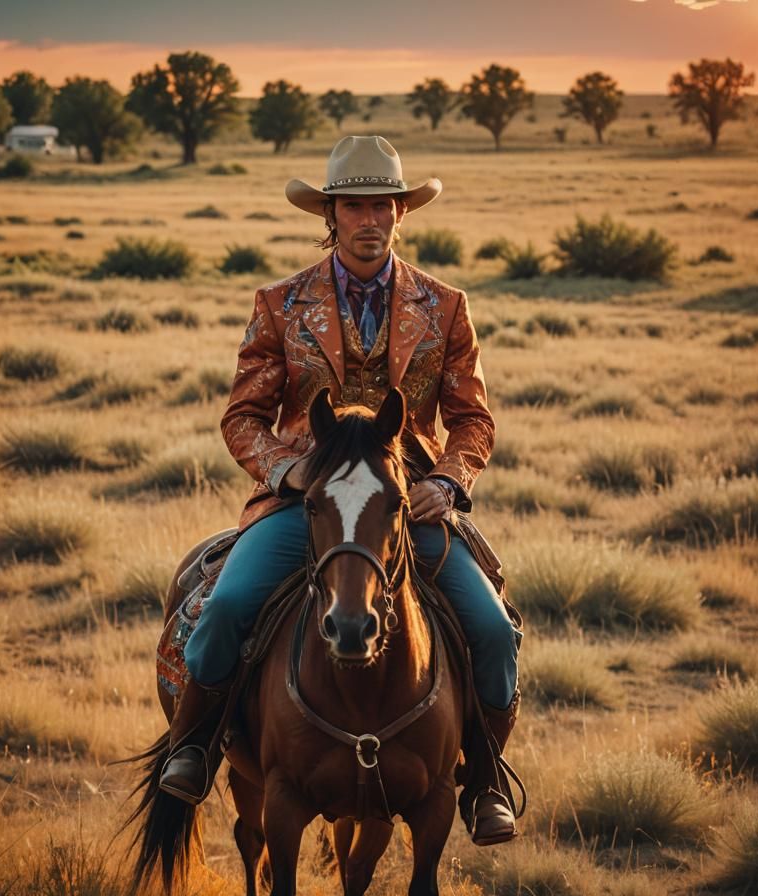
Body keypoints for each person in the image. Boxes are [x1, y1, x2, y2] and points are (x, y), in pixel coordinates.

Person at [159, 136, 521, 845]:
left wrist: (447, 479)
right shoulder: (281, 304)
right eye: (354, 205)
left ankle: (483, 781)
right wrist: (283, 468)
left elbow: (473, 418)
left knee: (493, 633)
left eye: (381, 204)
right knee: (224, 607)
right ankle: (196, 748)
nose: (369, 218)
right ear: (330, 213)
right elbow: (241, 416)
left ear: (399, 213)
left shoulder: (444, 307)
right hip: (306, 504)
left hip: (403, 504)